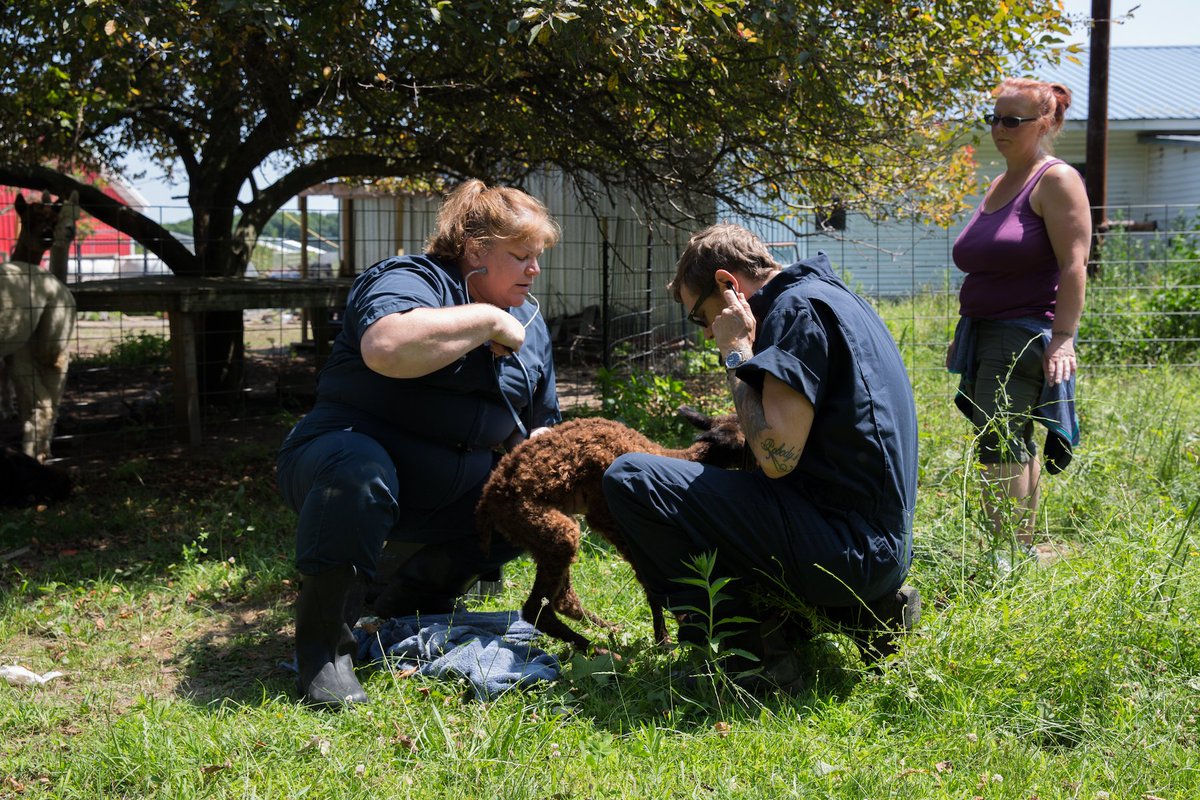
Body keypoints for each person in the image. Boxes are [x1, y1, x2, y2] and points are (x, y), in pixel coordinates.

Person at [276, 180, 562, 707]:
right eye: (522, 256)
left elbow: (539, 426)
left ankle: (401, 606)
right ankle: (322, 653)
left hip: (446, 493)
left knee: (527, 499)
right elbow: (386, 347)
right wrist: (489, 320)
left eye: (537, 258)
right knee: (357, 472)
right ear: (476, 251)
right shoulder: (411, 280)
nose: (534, 271)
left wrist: (550, 472)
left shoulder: (532, 322)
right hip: (341, 461)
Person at [601, 224, 920, 689]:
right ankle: (858, 615)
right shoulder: (830, 296)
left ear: (729, 285)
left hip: (853, 548)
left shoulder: (796, 312)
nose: (708, 332)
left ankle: (753, 655)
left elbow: (777, 455)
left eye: (701, 316)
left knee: (630, 478)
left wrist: (736, 353)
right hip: (870, 540)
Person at [948, 78, 1089, 558]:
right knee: (1010, 440)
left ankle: (1004, 559)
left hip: (1024, 333)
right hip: (988, 332)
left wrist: (1064, 338)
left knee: (999, 441)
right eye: (994, 118)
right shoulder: (999, 182)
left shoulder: (1055, 180)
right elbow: (988, 264)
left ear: (1045, 123)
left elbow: (1074, 264)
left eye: (1013, 120)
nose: (999, 128)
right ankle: (1015, 550)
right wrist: (965, 331)